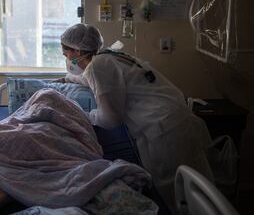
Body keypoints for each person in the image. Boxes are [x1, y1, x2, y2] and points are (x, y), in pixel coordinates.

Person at [56, 23, 214, 210]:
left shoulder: (98, 66)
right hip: (179, 122)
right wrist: (67, 78)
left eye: (66, 54)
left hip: (165, 133)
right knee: (200, 191)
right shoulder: (110, 56)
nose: (67, 59)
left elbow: (111, 119)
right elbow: (86, 78)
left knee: (180, 197)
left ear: (76, 50)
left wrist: (83, 115)